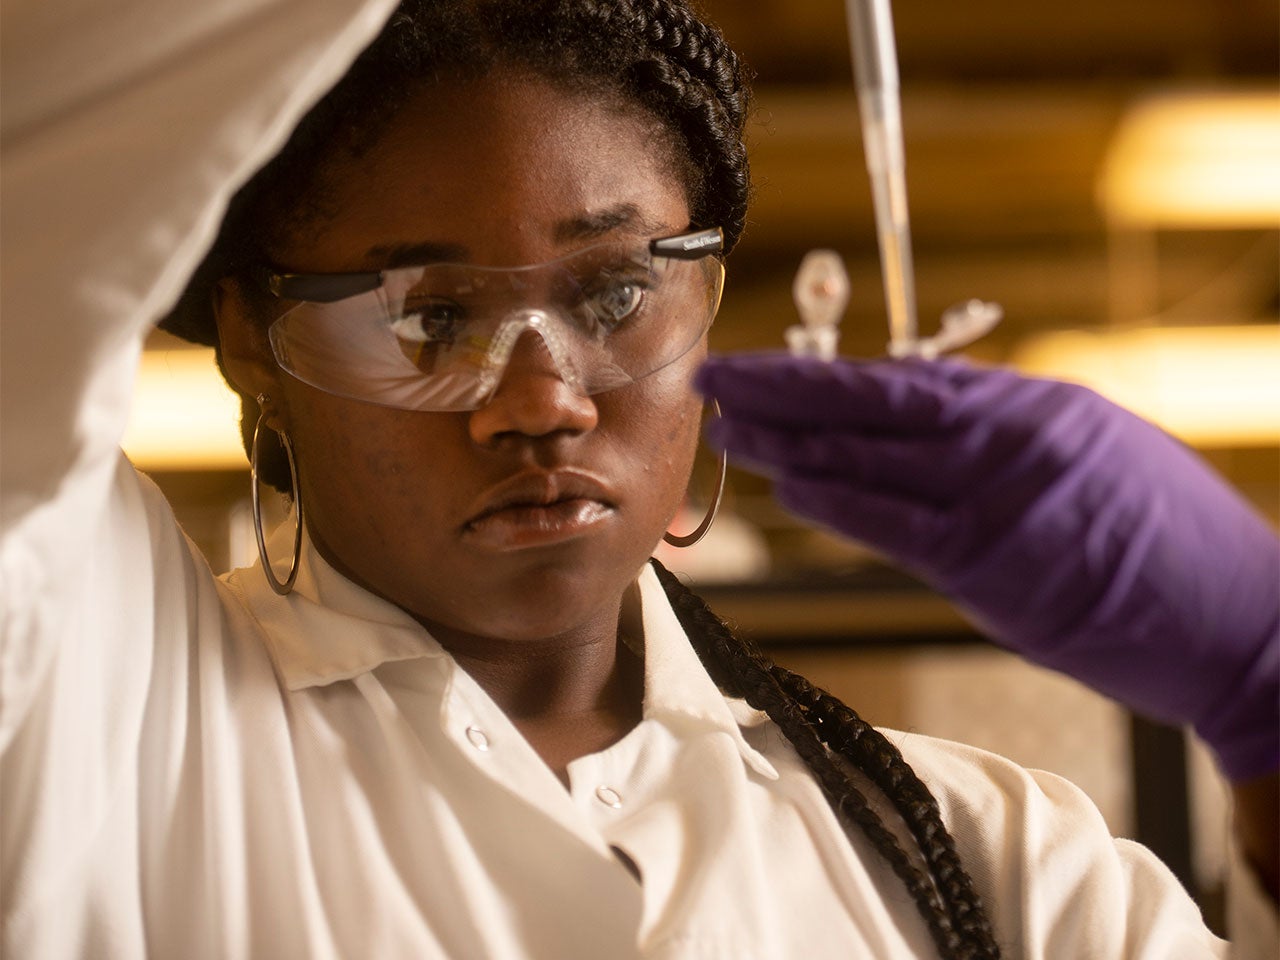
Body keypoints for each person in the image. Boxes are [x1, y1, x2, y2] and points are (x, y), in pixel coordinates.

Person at [1, 1, 1274, 958]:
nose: (543, 400)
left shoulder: (992, 865)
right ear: (248, 338)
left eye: (614, 292)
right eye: (428, 315)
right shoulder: (100, 709)